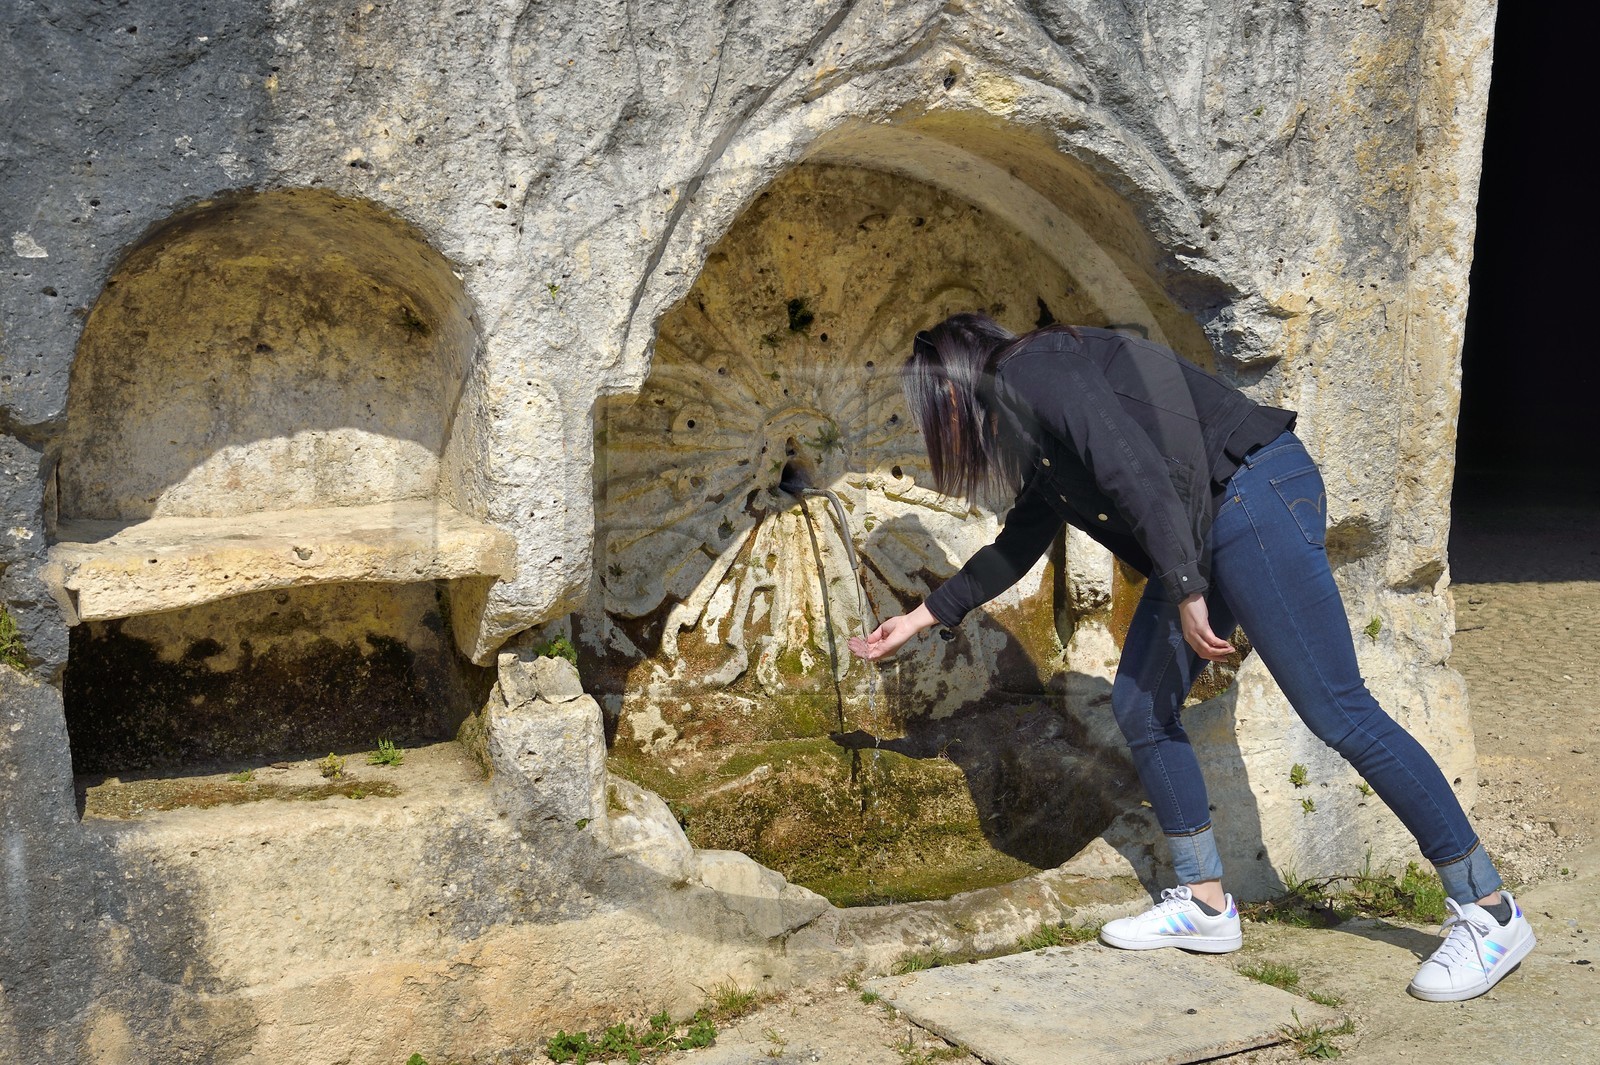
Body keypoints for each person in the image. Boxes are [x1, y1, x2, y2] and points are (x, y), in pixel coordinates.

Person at [847, 312, 1535, 1002]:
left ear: (950, 384)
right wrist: (921, 617)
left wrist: (1184, 588)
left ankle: (1490, 911)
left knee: (1338, 709)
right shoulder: (1034, 426)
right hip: (1205, 521)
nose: (936, 423)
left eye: (929, 405)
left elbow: (1133, 466)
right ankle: (1205, 904)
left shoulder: (1034, 364)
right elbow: (1019, 541)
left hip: (1251, 493)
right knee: (1141, 705)